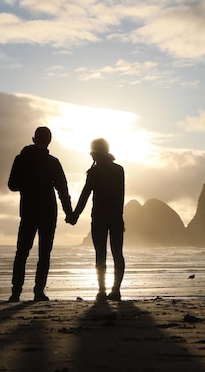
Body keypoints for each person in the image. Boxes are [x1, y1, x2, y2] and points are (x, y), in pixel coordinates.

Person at [7, 127, 72, 302]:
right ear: (49, 141)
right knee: (44, 253)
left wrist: (28, 185)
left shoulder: (21, 159)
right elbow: (62, 189)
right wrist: (69, 213)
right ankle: (38, 292)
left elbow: (12, 185)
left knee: (22, 252)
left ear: (34, 139)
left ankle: (16, 293)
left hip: (28, 210)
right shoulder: (52, 162)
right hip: (48, 211)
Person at [66, 138, 125, 301]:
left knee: (100, 255)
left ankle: (101, 291)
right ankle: (116, 291)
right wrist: (120, 218)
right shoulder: (119, 170)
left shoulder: (94, 172)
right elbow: (121, 197)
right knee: (117, 254)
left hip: (99, 217)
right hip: (115, 217)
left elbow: (85, 195)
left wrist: (74, 215)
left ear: (94, 153)